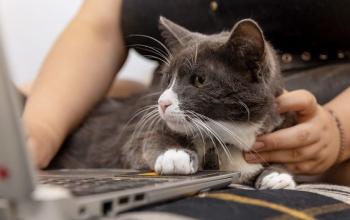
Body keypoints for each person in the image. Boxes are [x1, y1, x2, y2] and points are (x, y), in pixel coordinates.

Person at [23, 0, 350, 184]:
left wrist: (338, 129)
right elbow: (98, 26)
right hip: (176, 111)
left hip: (319, 117)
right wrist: (41, 130)